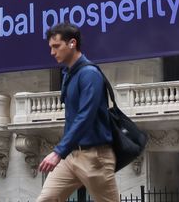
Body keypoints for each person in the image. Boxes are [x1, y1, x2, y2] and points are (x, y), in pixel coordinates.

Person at [36, 22, 118, 202]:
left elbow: (85, 116)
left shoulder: (89, 74)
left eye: (56, 46)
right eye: (50, 47)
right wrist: (63, 152)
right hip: (70, 156)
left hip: (95, 158)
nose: (52, 52)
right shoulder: (68, 74)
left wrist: (58, 152)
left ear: (72, 43)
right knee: (46, 199)